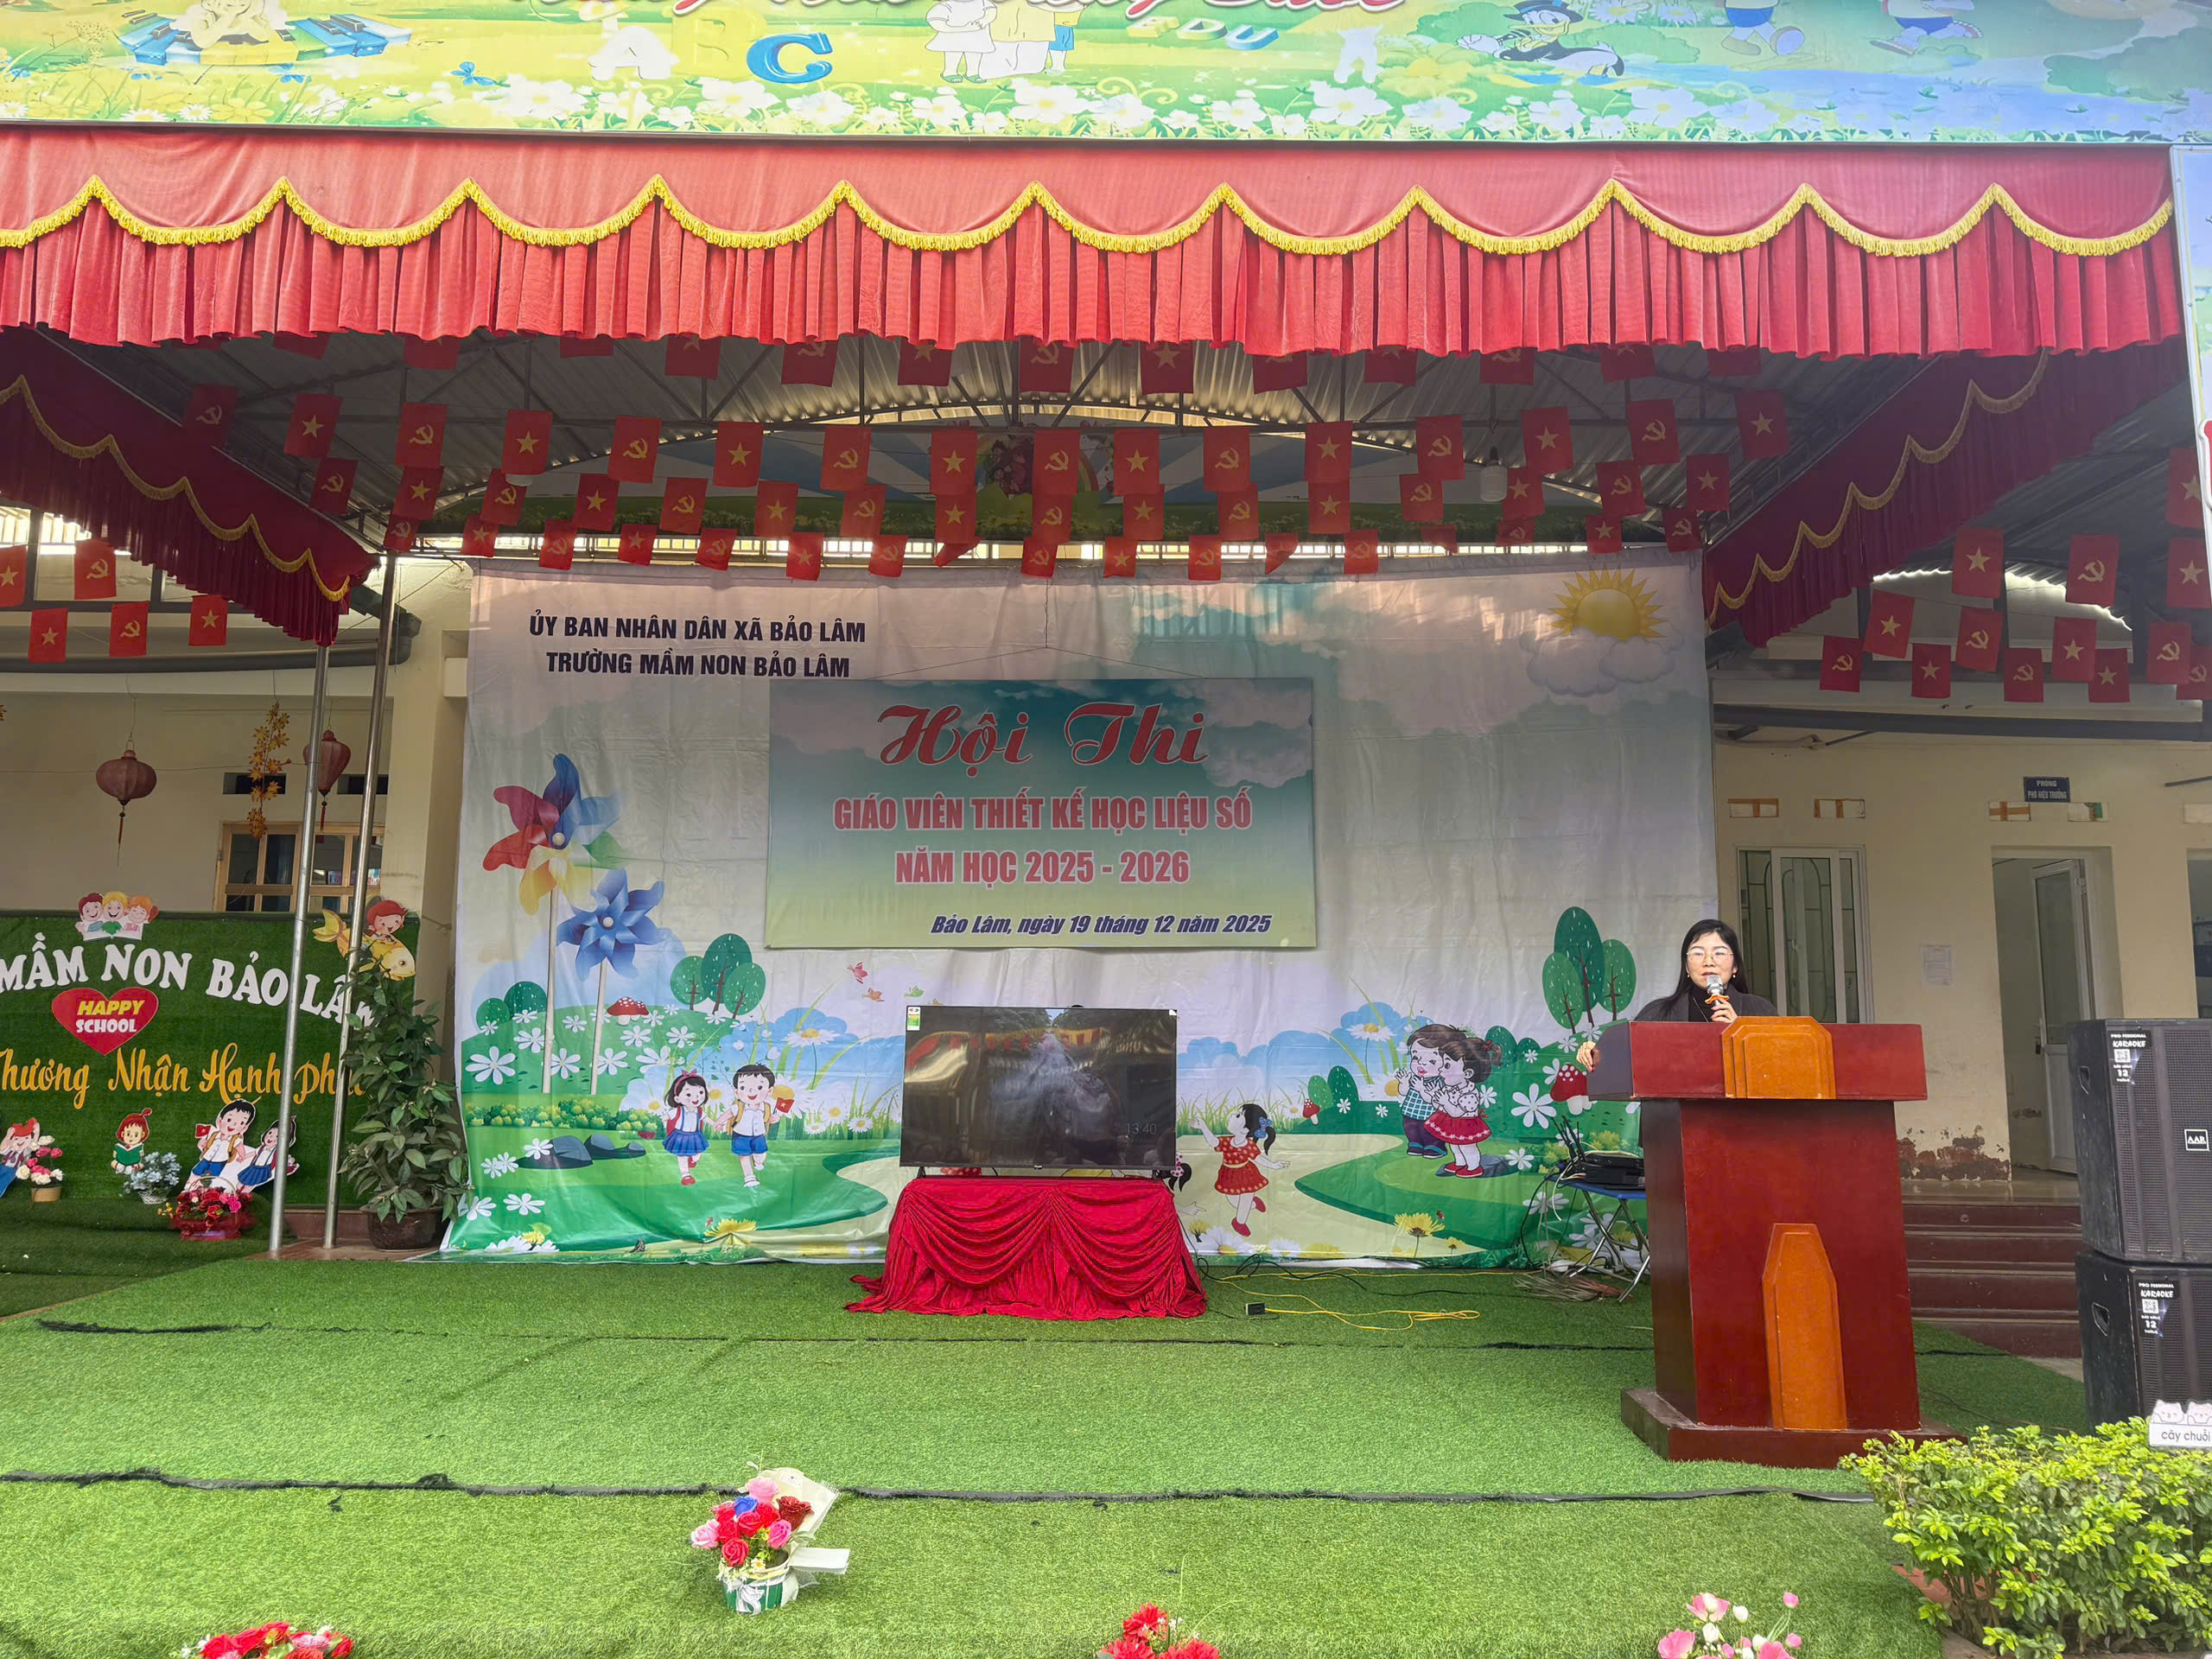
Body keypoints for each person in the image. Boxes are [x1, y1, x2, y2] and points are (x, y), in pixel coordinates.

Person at [1634, 919, 1777, 1025]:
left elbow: (1778, 1055)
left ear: (1735, 966)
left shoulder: (1761, 1011)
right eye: (1698, 953)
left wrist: (1739, 1031)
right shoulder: (1656, 1014)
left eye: (1719, 953)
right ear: (1687, 967)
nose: (1708, 962)